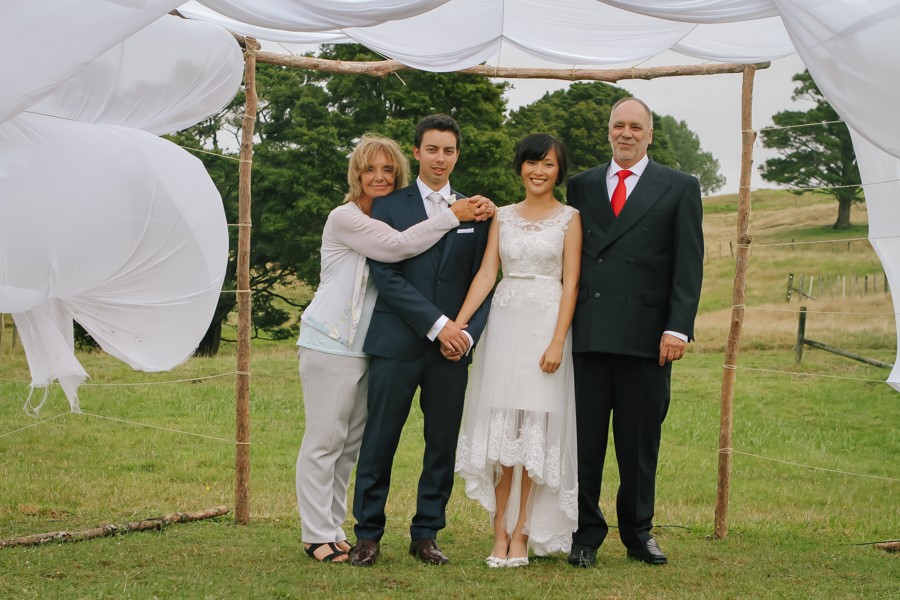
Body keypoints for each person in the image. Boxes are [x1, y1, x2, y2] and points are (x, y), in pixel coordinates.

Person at [295, 133, 494, 563]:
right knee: (326, 439)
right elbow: (397, 251)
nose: (379, 177)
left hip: (367, 344)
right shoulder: (348, 217)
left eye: (387, 169)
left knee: (349, 443)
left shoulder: (453, 210)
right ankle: (317, 535)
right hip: (332, 339)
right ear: (357, 173)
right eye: (370, 169)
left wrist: (463, 332)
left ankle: (344, 528)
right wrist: (451, 215)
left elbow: (483, 274)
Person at [565, 97, 704, 568]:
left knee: (639, 443)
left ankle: (638, 532)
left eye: (635, 127)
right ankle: (585, 533)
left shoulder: (680, 187)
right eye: (618, 126)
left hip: (648, 338)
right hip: (589, 335)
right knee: (583, 442)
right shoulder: (581, 186)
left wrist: (678, 328)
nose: (626, 133)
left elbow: (688, 264)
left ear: (649, 132)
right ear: (609, 131)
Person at [453, 133, 582, 568]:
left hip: (545, 324)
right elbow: (488, 274)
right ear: (520, 167)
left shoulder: (570, 219)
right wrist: (460, 321)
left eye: (547, 164)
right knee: (503, 433)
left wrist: (558, 341)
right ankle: (499, 533)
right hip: (504, 328)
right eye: (531, 163)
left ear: (559, 170)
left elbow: (572, 283)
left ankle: (524, 532)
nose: (538, 171)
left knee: (534, 435)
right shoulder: (502, 217)